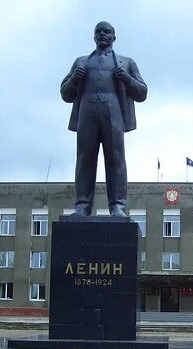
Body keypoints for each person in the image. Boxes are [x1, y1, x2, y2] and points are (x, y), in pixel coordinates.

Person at [60, 21, 148, 217]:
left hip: (113, 110)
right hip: (86, 111)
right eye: (98, 31)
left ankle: (117, 206)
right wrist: (74, 78)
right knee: (85, 158)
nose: (102, 34)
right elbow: (65, 94)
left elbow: (142, 93)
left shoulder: (126, 62)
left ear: (114, 37)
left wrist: (126, 78)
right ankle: (82, 206)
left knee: (116, 159)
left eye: (106, 31)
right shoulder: (81, 62)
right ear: (93, 37)